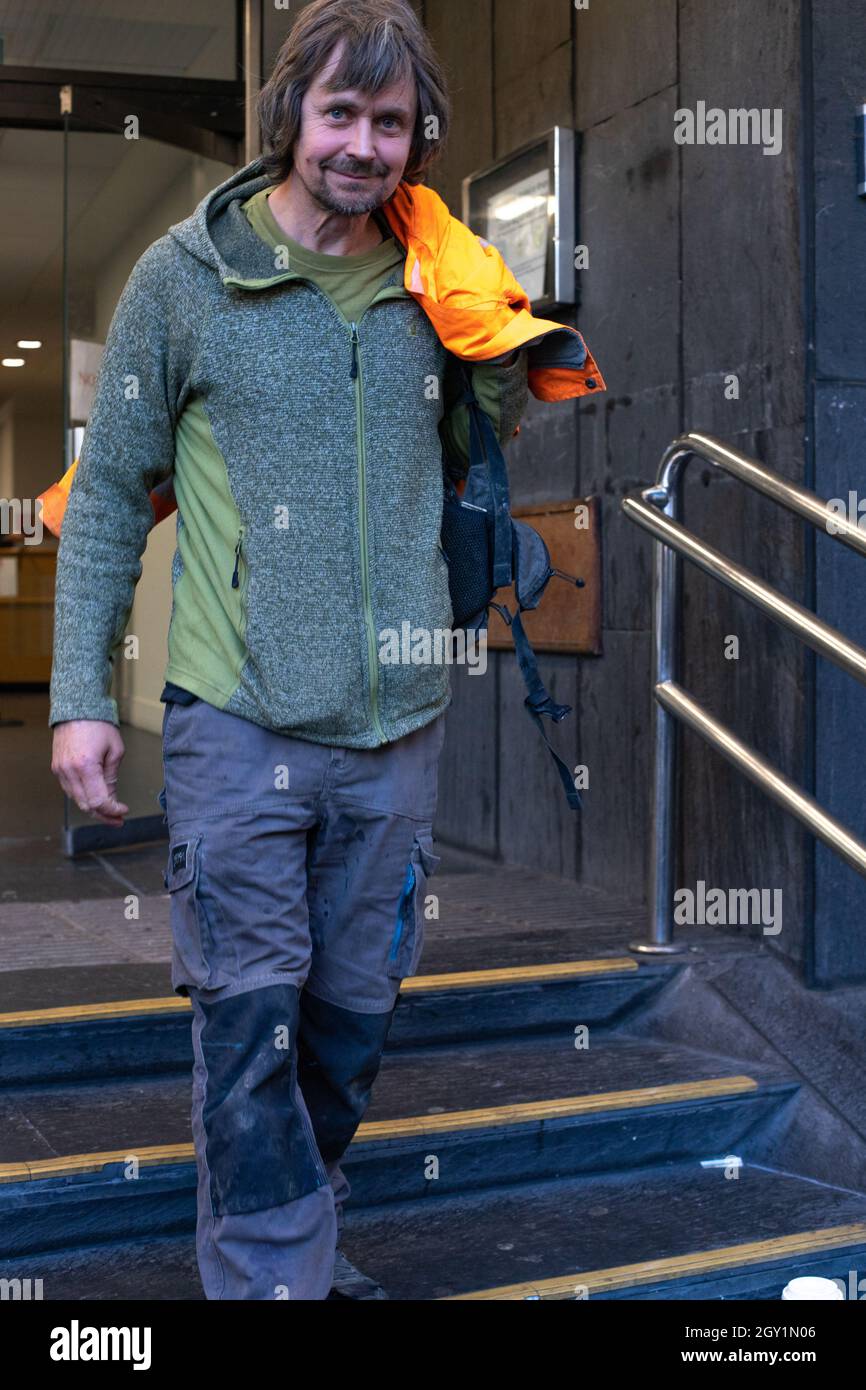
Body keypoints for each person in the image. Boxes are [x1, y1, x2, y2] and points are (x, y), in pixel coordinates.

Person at [49, 0, 529, 1300]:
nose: (364, 144)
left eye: (390, 120)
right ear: (286, 120)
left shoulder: (434, 286)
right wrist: (81, 695)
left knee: (347, 1033)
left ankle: (293, 1235)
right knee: (251, 1026)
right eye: (340, 113)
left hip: (394, 728)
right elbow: (105, 495)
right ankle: (273, 1275)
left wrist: (494, 337)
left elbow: (480, 455)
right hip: (235, 722)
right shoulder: (183, 279)